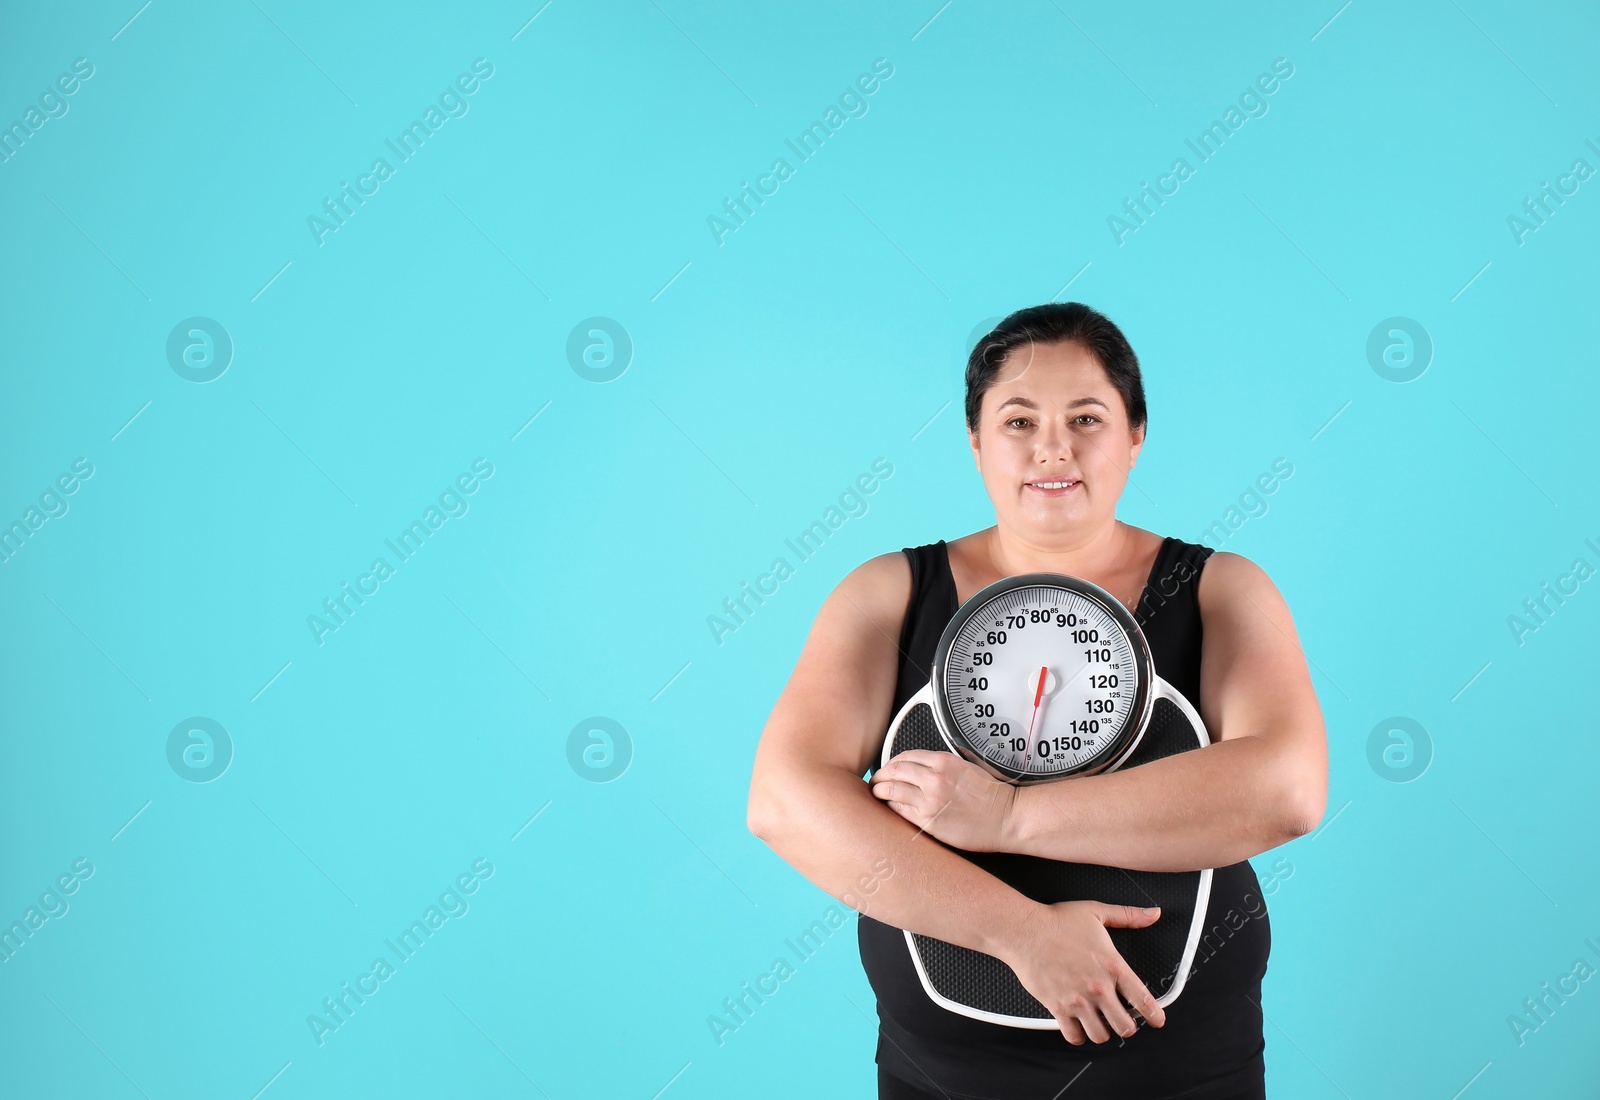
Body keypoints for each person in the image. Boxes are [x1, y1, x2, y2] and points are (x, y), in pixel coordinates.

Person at [746, 302, 1328, 1099]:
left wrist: (1011, 816)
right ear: (976, 443)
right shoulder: (888, 594)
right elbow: (784, 800)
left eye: (1086, 417)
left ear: (1135, 437)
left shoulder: (1221, 590)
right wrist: (1023, 936)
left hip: (1184, 1069)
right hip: (945, 1075)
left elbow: (1286, 791)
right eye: (1018, 420)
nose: (1053, 446)